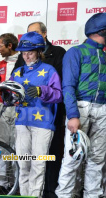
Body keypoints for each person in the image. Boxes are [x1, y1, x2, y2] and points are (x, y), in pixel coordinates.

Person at [12, 22, 67, 197]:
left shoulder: (49, 70)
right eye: (24, 53)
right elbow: (11, 95)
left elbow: (59, 95)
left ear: (39, 52)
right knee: (23, 163)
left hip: (43, 122)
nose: (27, 56)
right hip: (22, 121)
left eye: (30, 53)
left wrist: (41, 91)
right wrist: (8, 98)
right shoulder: (17, 72)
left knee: (38, 164)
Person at [56, 13, 106, 198]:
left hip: (103, 109)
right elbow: (68, 85)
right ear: (102, 31)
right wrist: (73, 115)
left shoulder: (104, 54)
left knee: (98, 159)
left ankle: (93, 195)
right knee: (72, 159)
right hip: (81, 109)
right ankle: (64, 195)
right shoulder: (75, 52)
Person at [0, 33, 19, 191]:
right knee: (1, 145)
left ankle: (15, 181)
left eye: (0, 45)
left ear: (10, 46)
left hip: (21, 109)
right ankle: (0, 183)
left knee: (18, 146)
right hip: (2, 109)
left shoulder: (23, 62)